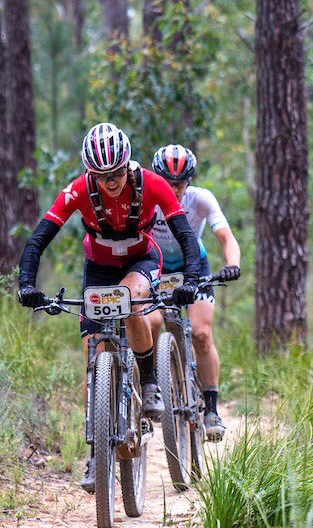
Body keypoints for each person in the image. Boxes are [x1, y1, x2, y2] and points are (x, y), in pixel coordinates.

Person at [17, 123, 203, 492]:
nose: (112, 181)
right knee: (94, 353)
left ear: (127, 165)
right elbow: (39, 238)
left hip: (142, 259)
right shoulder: (77, 190)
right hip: (98, 265)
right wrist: (26, 284)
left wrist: (193, 280)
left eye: (117, 173)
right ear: (90, 172)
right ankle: (95, 454)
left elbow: (185, 235)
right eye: (102, 176)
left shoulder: (152, 184)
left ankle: (149, 383)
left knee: (129, 299)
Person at [148, 144, 241, 442]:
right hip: (156, 268)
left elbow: (226, 237)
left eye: (179, 183)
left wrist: (232, 264)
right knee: (147, 326)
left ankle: (211, 409)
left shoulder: (200, 199)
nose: (173, 189)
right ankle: (148, 392)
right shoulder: (146, 199)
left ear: (189, 181)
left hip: (193, 268)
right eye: (167, 183)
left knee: (201, 334)